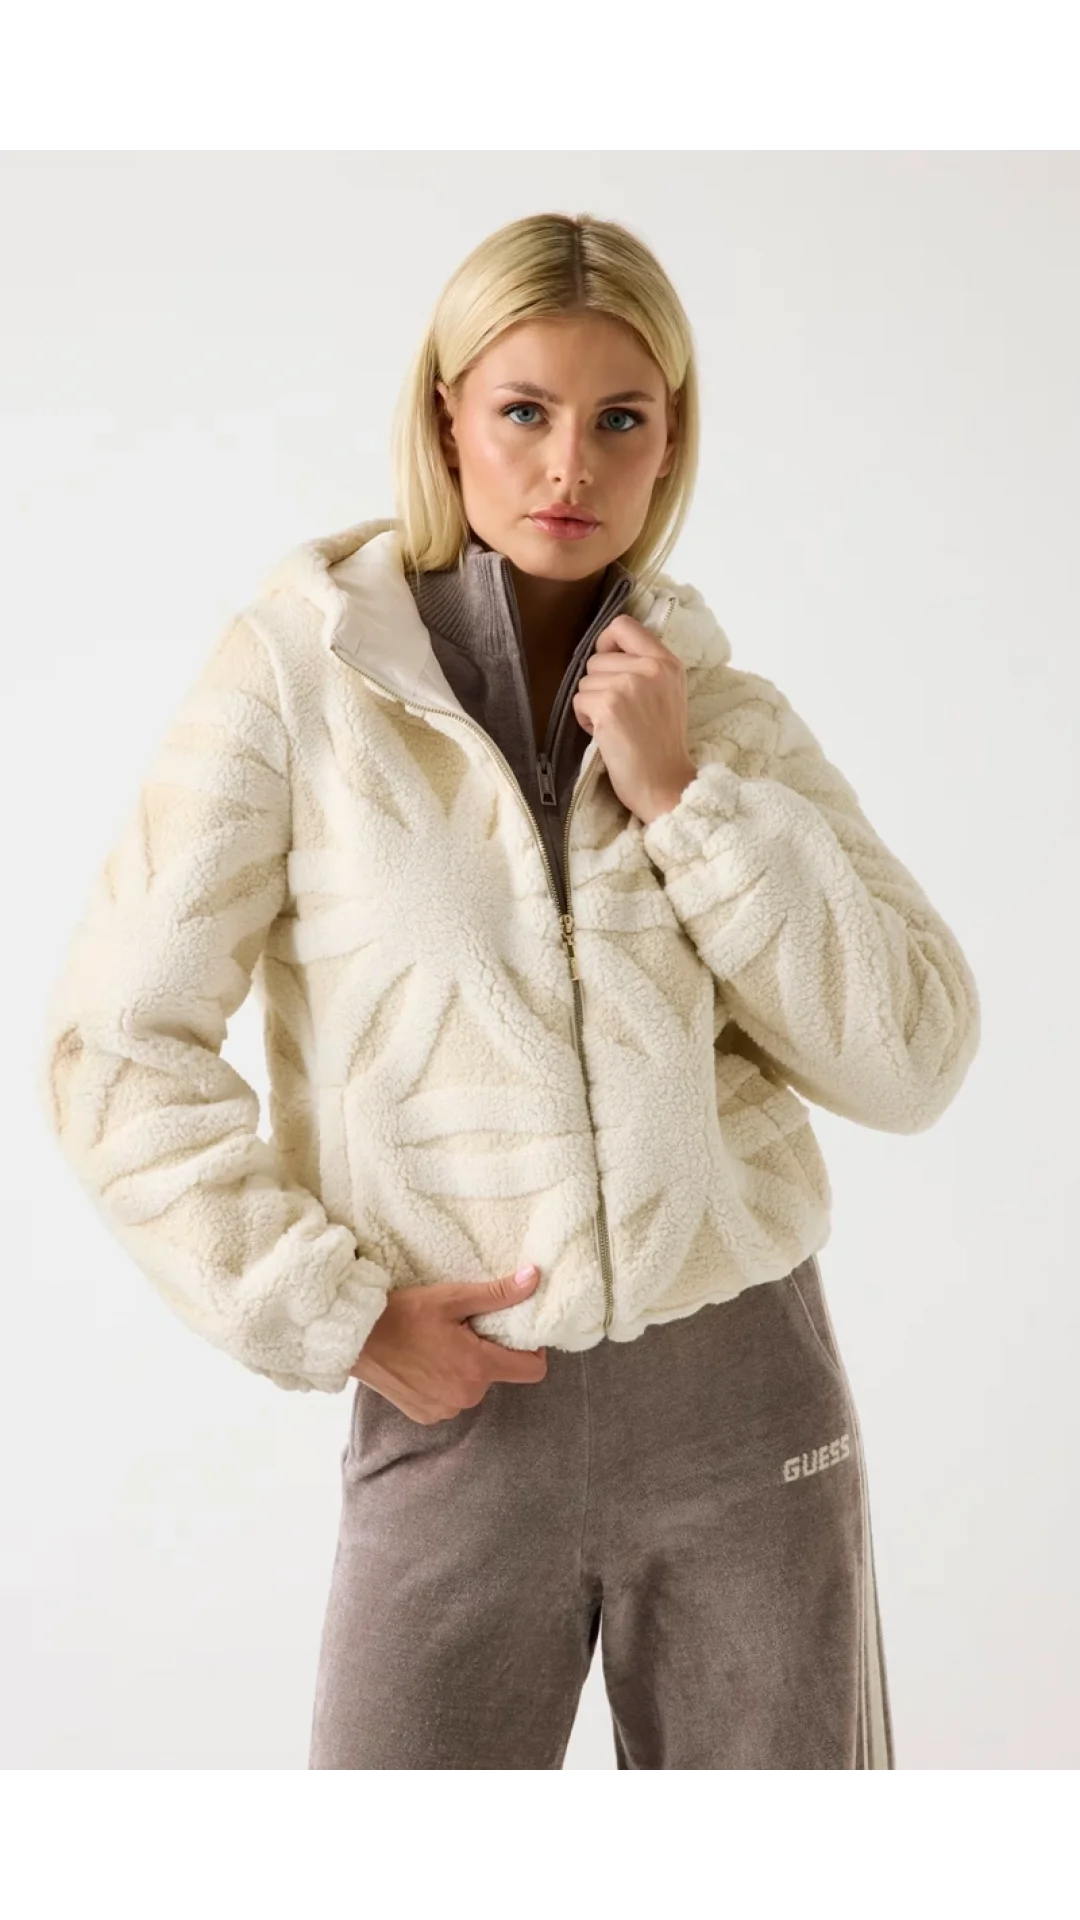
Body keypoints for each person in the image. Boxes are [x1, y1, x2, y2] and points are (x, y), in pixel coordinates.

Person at [38, 210, 981, 1775]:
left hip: (749, 1409)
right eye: (525, 411)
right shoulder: (298, 682)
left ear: (671, 441)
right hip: (458, 1410)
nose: (570, 467)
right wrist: (335, 1311)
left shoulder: (720, 715)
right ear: (445, 420)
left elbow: (917, 1052)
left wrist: (685, 803)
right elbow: (115, 1048)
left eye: (621, 420)